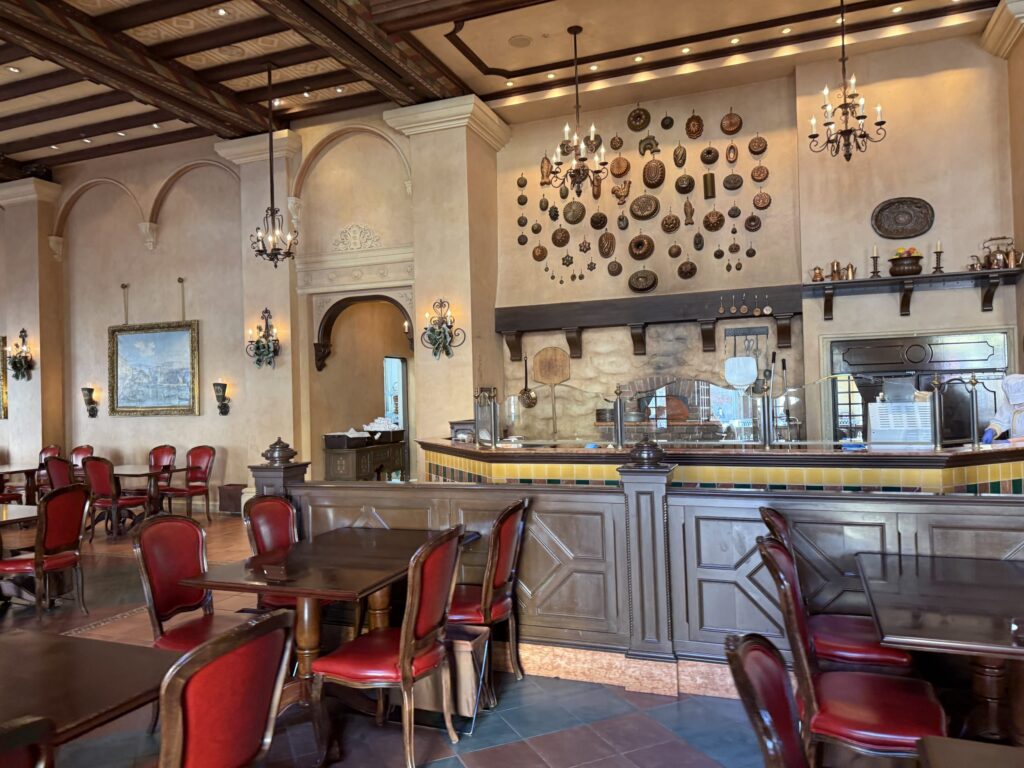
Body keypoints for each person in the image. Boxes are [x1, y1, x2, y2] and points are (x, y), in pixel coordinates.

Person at [982, 374, 1024, 443]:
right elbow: (1000, 421)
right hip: (1017, 450)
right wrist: (992, 430)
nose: (1017, 405)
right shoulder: (1009, 404)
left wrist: (1009, 441)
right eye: (1015, 401)